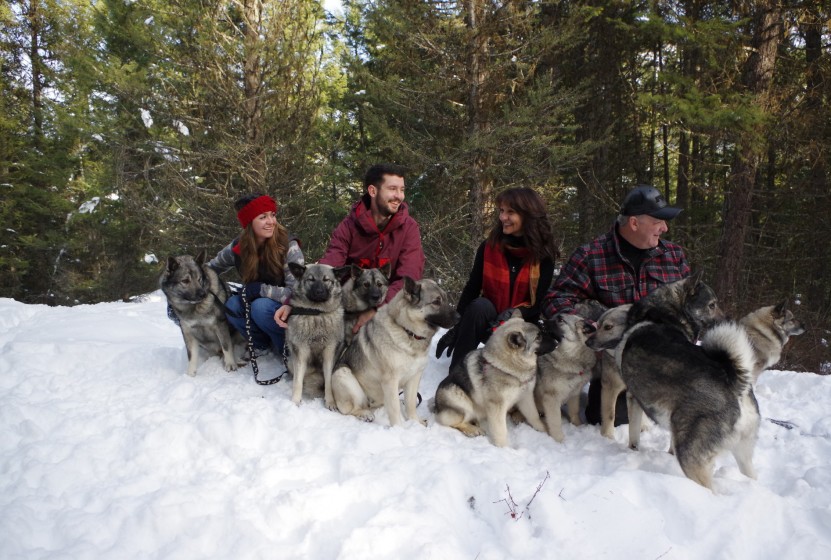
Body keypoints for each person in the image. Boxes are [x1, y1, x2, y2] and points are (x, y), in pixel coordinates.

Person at [542, 184, 690, 424]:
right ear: (634, 223)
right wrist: (586, 331)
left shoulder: (673, 256)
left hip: (662, 359)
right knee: (613, 419)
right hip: (614, 363)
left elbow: (690, 308)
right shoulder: (592, 255)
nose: (665, 228)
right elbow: (556, 298)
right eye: (658, 221)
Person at [435, 187, 558, 371]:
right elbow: (472, 288)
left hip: (521, 329)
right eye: (501, 211)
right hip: (489, 323)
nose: (503, 217)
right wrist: (457, 327)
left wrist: (515, 313)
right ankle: (457, 377)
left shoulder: (543, 255)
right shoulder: (489, 247)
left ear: (528, 215)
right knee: (479, 306)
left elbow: (538, 302)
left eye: (510, 212)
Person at [318, 163, 425, 333]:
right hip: (349, 305)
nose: (399, 196)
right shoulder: (349, 226)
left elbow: (408, 277)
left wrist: (377, 309)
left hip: (389, 305)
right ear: (373, 191)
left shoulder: (409, 228)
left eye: (402, 189)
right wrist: (294, 301)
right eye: (392, 189)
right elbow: (330, 264)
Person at [209, 193, 304, 375]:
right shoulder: (238, 248)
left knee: (261, 306)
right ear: (249, 223)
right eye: (263, 217)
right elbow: (211, 267)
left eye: (272, 215)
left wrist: (260, 290)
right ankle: (260, 345)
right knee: (232, 305)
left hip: (288, 311)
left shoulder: (288, 246)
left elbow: (297, 291)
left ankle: (286, 347)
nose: (271, 221)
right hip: (258, 306)